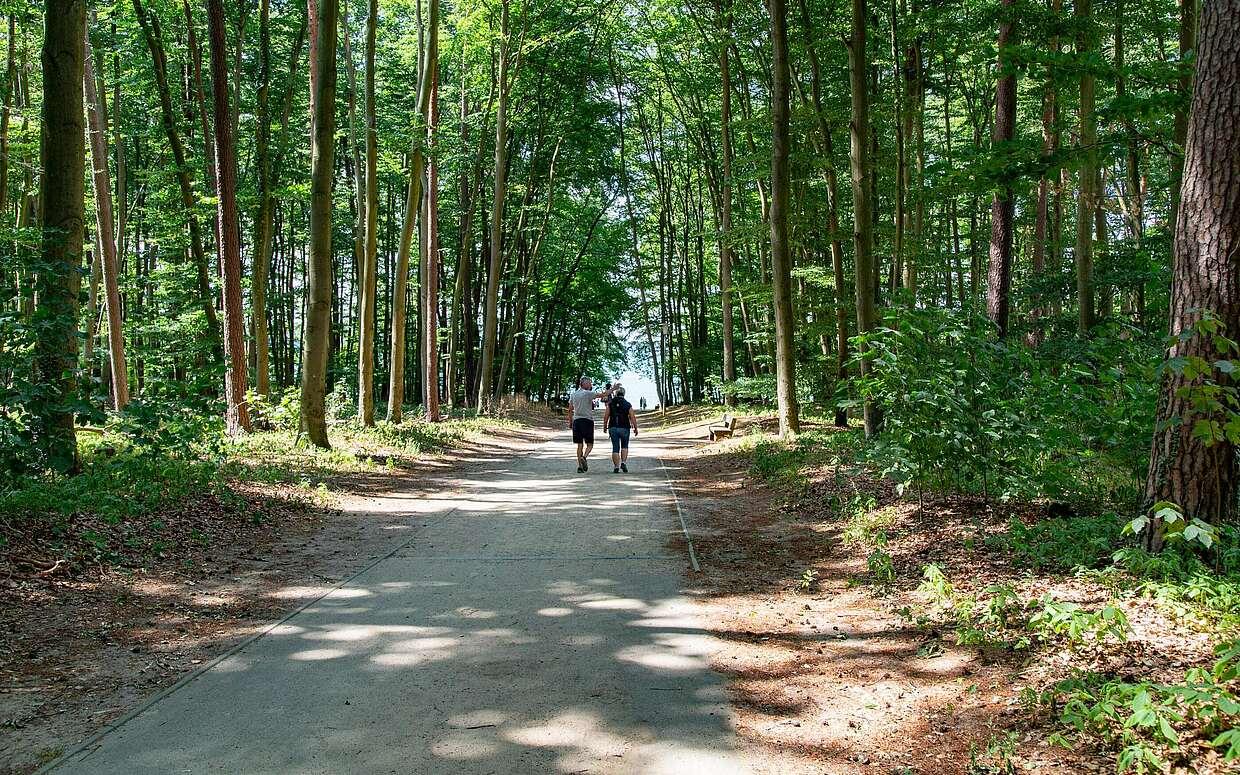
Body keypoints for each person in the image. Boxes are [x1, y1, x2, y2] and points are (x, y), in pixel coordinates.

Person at [567, 377, 611, 473]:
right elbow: (604, 395)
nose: (591, 385)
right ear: (584, 384)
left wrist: (570, 421)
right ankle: (584, 457)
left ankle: (579, 467)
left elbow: (570, 409)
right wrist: (613, 389)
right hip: (587, 421)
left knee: (579, 445)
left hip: (576, 421)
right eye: (590, 383)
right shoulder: (588, 393)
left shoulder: (573, 395)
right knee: (590, 444)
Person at [603, 387, 638, 473]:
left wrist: (605, 426)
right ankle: (623, 462)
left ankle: (616, 467)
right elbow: (632, 416)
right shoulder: (627, 404)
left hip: (613, 427)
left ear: (615, 394)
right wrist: (635, 428)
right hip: (625, 427)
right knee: (624, 446)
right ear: (624, 394)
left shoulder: (610, 404)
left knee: (615, 447)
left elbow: (606, 416)